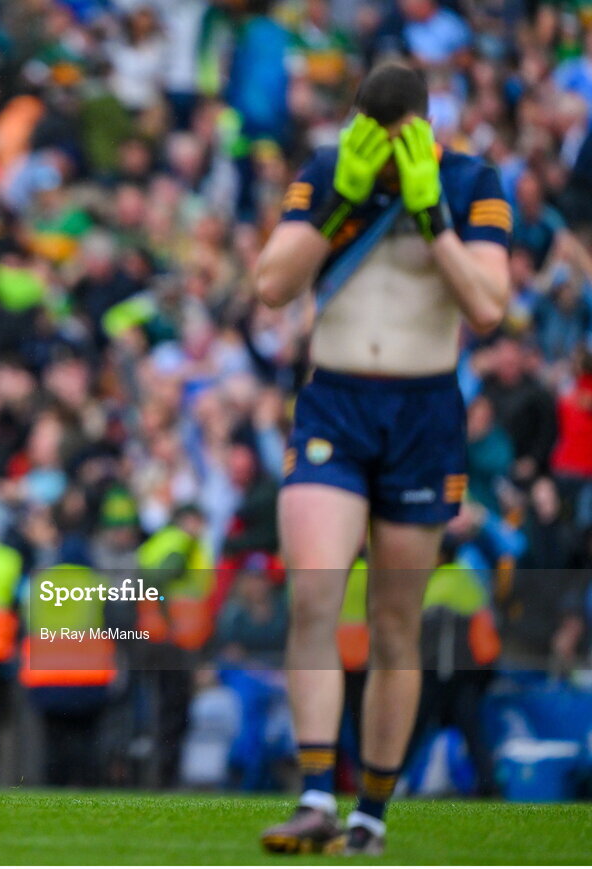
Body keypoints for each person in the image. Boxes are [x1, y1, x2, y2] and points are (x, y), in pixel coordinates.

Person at [254, 63, 510, 855]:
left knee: (396, 622)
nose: (391, 149)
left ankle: (371, 811)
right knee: (315, 598)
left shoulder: (471, 180)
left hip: (423, 409)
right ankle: (314, 794)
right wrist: (340, 199)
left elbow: (488, 308)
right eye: (379, 134)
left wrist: (433, 215)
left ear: (427, 128)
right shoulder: (332, 171)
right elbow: (271, 284)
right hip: (335, 401)